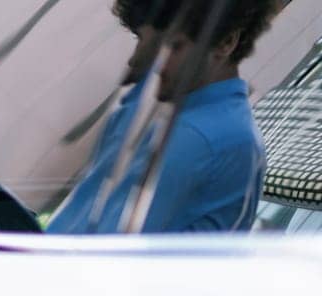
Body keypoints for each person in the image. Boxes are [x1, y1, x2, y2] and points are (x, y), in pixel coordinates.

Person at [47, 0, 278, 234]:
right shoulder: (179, 114)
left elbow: (107, 248)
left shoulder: (203, 137)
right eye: (142, 40)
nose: (138, 59)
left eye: (173, 46)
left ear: (225, 42)